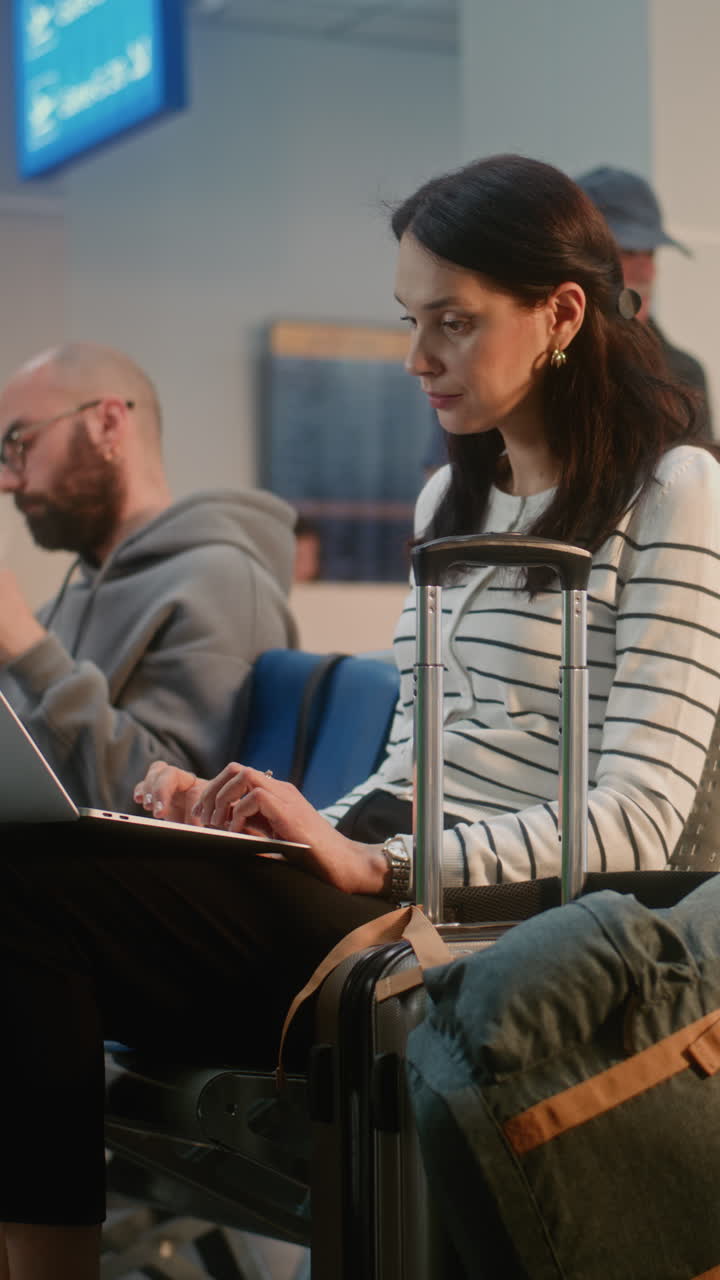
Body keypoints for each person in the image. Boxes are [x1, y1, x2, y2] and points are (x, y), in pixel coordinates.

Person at [1, 154, 720, 1277]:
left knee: (28, 893)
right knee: (37, 873)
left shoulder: (675, 490)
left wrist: (367, 863)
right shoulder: (451, 499)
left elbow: (639, 820)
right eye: (410, 318)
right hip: (383, 887)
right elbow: (411, 766)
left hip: (482, 929)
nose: (417, 357)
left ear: (561, 313)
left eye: (453, 321)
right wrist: (263, 825)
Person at [0, 343, 298, 811]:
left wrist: (30, 653)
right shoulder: (68, 601)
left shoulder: (221, 583)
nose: (9, 480)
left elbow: (175, 811)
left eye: (20, 443)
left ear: (108, 424)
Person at [575, 165, 714, 438]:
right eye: (627, 252)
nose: (646, 272)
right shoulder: (545, 364)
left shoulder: (683, 375)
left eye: (650, 253)